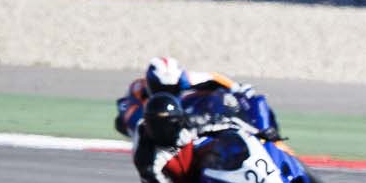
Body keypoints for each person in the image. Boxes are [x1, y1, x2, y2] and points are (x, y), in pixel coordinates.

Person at [114, 56, 280, 141]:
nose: (168, 91)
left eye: (172, 87)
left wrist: (236, 88)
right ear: (150, 82)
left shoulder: (185, 78)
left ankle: (266, 133)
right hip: (155, 122)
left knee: (248, 98)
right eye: (161, 88)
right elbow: (130, 119)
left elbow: (215, 78)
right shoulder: (138, 90)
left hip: (185, 114)